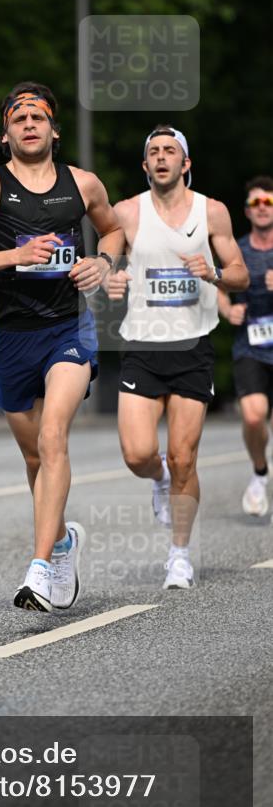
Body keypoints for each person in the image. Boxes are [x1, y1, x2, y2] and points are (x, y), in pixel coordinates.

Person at [0, 81, 123, 611]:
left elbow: (111, 231)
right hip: (12, 334)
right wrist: (12, 257)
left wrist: (105, 262)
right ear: (6, 135)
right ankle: (64, 541)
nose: (29, 123)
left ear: (54, 129)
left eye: (38, 116)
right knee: (32, 456)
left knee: (53, 438)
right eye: (18, 117)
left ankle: (40, 568)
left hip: (69, 328)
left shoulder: (83, 184)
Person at [107, 126, 249, 589]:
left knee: (185, 458)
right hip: (143, 348)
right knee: (137, 454)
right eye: (153, 152)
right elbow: (104, 261)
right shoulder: (127, 212)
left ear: (186, 163)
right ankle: (158, 476)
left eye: (170, 151)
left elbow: (241, 275)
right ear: (144, 166)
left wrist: (213, 272)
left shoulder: (213, 212)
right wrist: (108, 278)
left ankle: (180, 556)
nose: (162, 157)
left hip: (192, 348)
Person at [217, 176, 273, 516]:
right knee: (253, 418)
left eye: (268, 201)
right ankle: (259, 473)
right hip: (251, 344)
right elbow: (216, 282)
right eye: (256, 203)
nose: (262, 208)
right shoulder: (236, 249)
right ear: (247, 211)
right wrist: (227, 308)